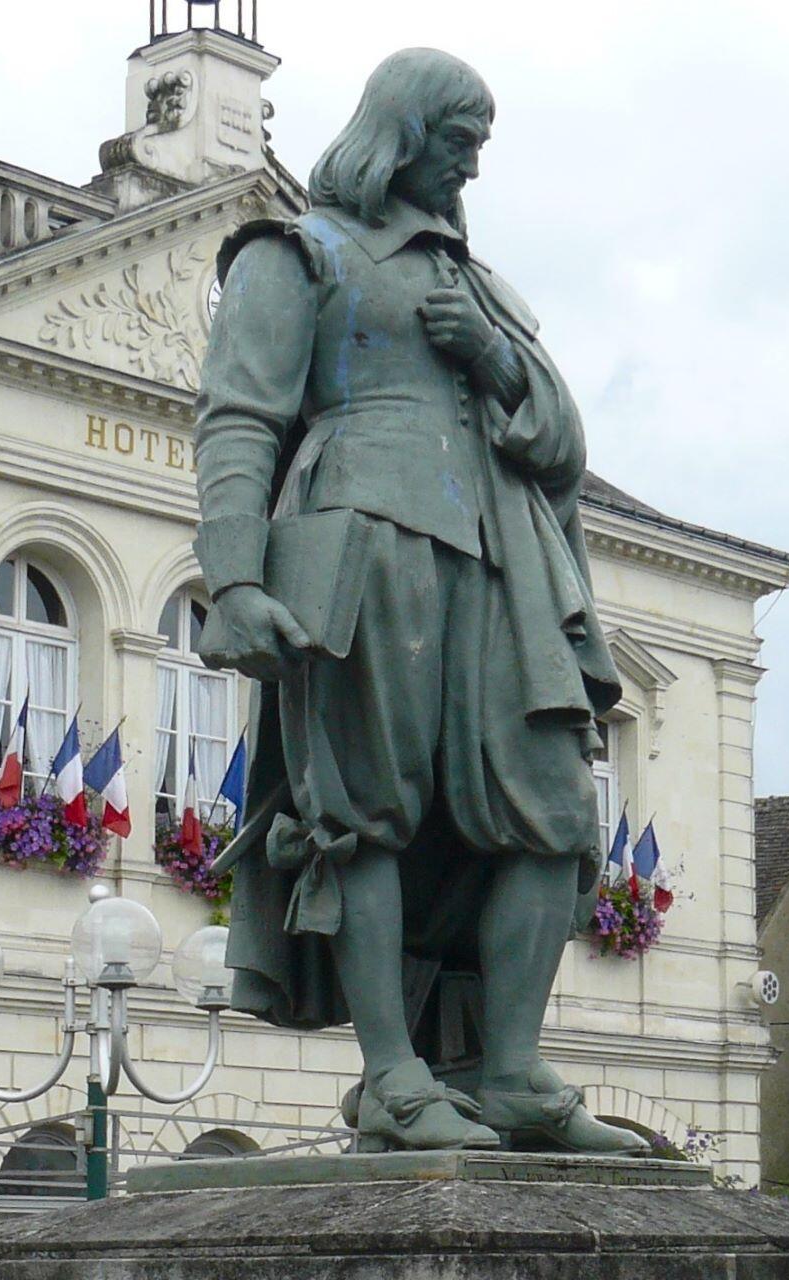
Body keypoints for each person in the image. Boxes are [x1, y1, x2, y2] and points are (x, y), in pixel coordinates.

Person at [192, 47, 648, 1156]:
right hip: (363, 545)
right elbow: (239, 416)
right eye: (459, 144)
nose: (471, 170)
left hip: (502, 561)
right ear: (402, 133)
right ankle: (394, 1074)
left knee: (551, 808)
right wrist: (236, 577)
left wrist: (490, 354)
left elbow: (565, 446)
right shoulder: (302, 251)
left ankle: (511, 1069)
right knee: (364, 812)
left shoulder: (484, 287)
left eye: (481, 148)